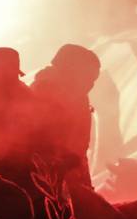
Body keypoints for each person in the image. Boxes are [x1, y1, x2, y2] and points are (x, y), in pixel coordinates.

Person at [31, 44, 101, 186]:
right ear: (71, 71)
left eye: (93, 80)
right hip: (49, 183)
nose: (91, 85)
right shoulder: (46, 94)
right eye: (88, 77)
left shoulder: (77, 99)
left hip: (62, 181)